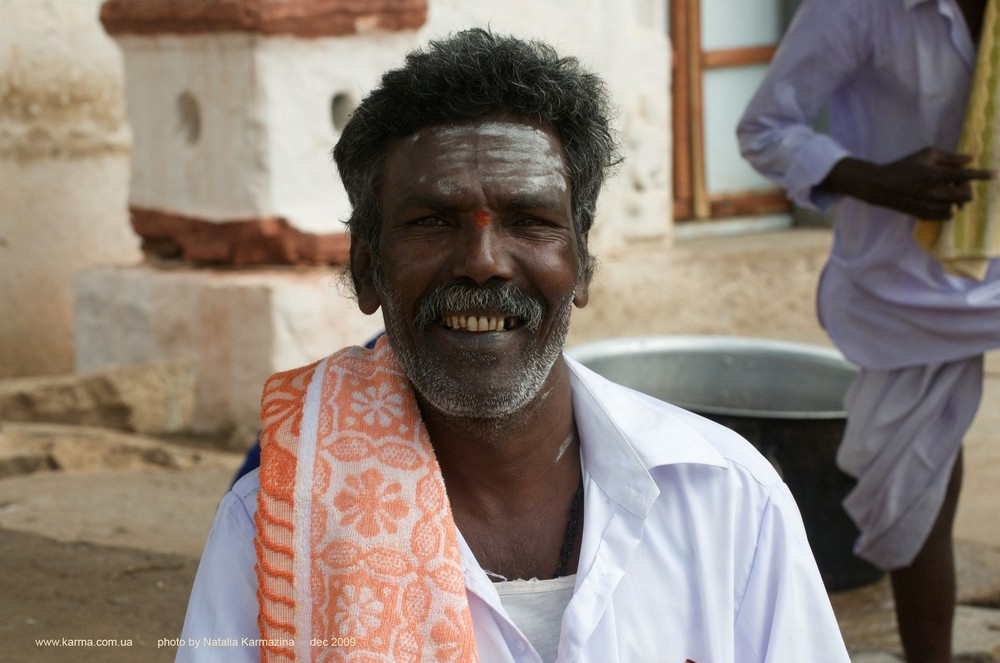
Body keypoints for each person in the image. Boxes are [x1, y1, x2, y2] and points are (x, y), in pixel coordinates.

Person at [178, 28, 849, 662]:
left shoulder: (728, 499)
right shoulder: (278, 532)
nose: (483, 261)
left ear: (581, 264)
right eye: (432, 221)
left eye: (528, 220)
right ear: (365, 269)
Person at [737, 1, 999, 661]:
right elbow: (764, 127)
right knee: (911, 485)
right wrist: (877, 180)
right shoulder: (859, 8)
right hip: (901, 283)